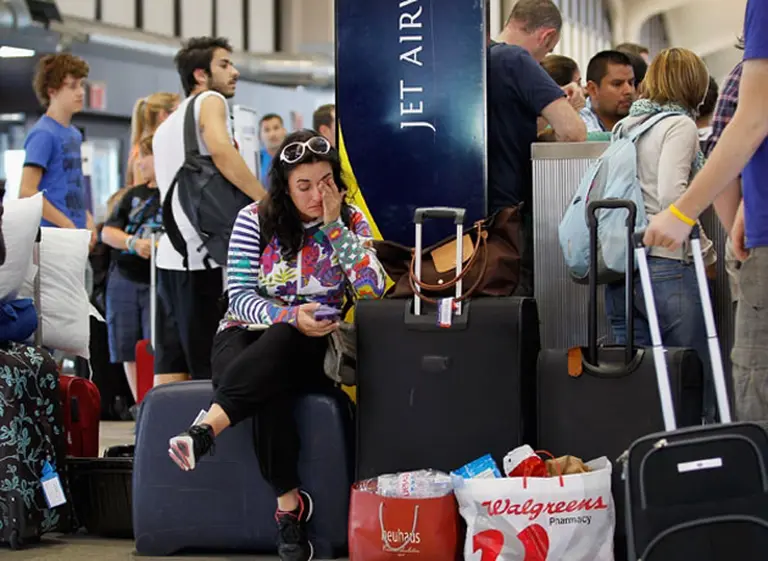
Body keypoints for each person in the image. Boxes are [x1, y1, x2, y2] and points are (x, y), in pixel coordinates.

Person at [168, 129, 386, 561]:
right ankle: (290, 507)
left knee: (281, 350)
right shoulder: (255, 219)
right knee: (270, 375)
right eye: (303, 185)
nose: (315, 194)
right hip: (245, 334)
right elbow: (241, 297)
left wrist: (334, 228)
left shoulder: (352, 219)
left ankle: (205, 430)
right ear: (285, 188)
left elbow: (373, 288)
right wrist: (288, 314)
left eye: (325, 182)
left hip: (313, 344)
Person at [642, 0, 768, 421]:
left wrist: (680, 215)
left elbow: (751, 122)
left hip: (643, 261)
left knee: (754, 386)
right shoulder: (678, 126)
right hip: (678, 265)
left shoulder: (631, 127)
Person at [605, 47, 717, 422]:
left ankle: (645, 457)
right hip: (667, 266)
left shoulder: (627, 126)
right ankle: (699, 460)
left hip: (622, 268)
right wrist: (707, 253)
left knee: (638, 382)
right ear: (693, 85)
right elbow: (673, 199)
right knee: (691, 374)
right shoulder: (679, 125)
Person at [152, 36, 265, 386]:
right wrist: (266, 200)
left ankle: (158, 441)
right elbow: (220, 149)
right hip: (204, 258)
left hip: (170, 259)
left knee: (170, 370)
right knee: (211, 372)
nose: (234, 72)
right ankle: (209, 441)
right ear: (200, 75)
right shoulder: (210, 100)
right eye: (224, 65)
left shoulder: (167, 125)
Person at [488, 0, 586, 295]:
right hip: (510, 215)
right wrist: (574, 108)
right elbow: (573, 132)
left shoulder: (483, 58)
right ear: (546, 36)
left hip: (476, 212)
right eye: (550, 49)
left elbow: (510, 128)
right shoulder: (518, 60)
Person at [101, 135, 163, 402]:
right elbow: (108, 232)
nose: (139, 162)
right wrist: (133, 243)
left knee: (157, 343)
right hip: (125, 274)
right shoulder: (132, 197)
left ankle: (158, 400)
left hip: (158, 279)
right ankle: (141, 404)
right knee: (127, 345)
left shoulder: (174, 195)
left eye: (144, 155)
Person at [19, 53, 96, 248]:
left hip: (76, 237)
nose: (81, 93)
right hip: (53, 239)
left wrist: (87, 218)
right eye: (72, 86)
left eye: (81, 85)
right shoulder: (43, 134)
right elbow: (27, 191)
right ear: (52, 91)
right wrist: (67, 225)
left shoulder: (74, 134)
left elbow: (72, 185)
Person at [126, 93, 180, 187]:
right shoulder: (144, 152)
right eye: (178, 113)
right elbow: (141, 193)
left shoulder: (148, 148)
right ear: (163, 115)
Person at [580, 50, 636, 133]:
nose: (629, 91)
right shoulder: (578, 126)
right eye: (617, 84)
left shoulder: (640, 119)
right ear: (593, 89)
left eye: (631, 83)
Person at [259, 113, 287, 186]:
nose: (272, 134)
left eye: (276, 128)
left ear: (284, 131)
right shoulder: (257, 160)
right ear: (260, 136)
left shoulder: (295, 156)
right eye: (267, 130)